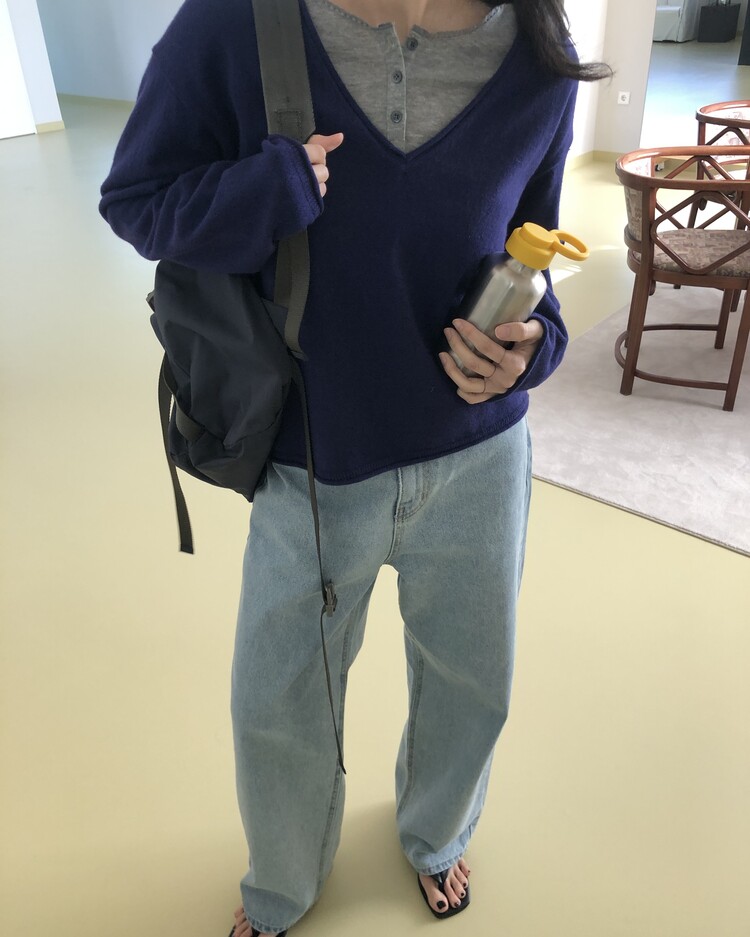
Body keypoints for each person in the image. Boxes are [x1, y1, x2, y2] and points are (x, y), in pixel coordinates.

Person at [99, 1, 610, 934]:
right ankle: (283, 880)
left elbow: (531, 238)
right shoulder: (236, 22)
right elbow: (135, 199)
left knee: (472, 682)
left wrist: (535, 345)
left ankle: (439, 834)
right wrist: (269, 188)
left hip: (481, 456)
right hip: (313, 454)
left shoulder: (539, 50)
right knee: (279, 698)